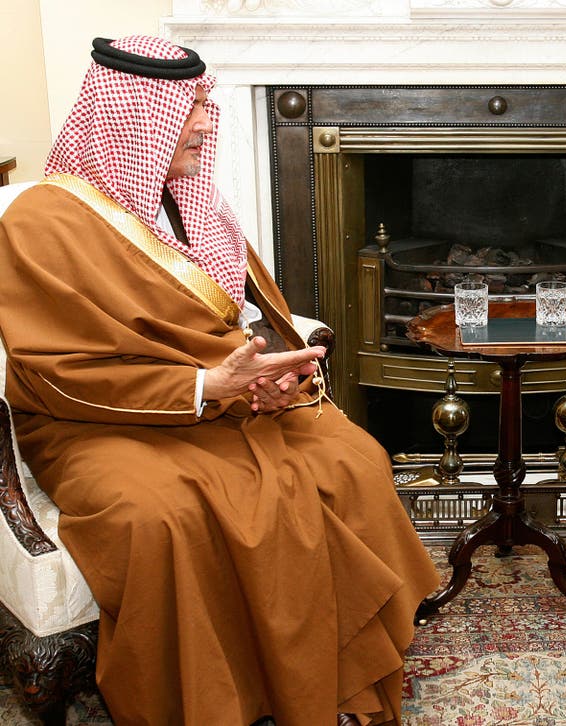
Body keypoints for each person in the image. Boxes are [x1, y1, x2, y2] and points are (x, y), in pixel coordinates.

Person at [0, 35, 440, 725]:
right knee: (162, 517)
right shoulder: (41, 221)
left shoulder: (191, 202)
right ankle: (215, 700)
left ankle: (327, 675)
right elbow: (56, 372)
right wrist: (205, 387)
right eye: (191, 107)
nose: (208, 122)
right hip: (93, 422)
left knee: (352, 458)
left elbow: (238, 319)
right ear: (134, 117)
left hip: (224, 403)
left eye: (207, 103)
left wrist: (269, 372)